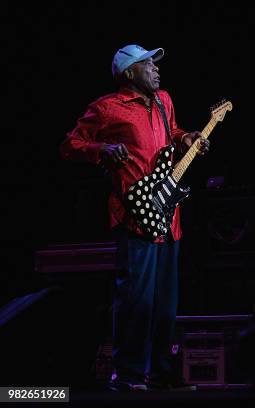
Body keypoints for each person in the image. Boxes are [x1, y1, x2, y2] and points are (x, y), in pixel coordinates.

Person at [59, 44, 210, 391]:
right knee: (136, 298)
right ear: (129, 73)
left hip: (168, 214)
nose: (156, 69)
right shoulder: (107, 108)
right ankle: (127, 373)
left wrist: (186, 137)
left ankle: (160, 371)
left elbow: (170, 133)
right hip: (134, 215)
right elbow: (70, 144)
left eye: (156, 65)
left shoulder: (164, 100)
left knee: (165, 301)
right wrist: (102, 150)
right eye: (148, 64)